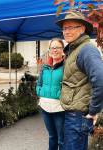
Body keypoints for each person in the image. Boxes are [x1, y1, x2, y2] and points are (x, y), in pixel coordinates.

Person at [56, 11, 103, 150]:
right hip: (72, 114)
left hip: (77, 116)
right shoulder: (74, 50)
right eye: (64, 28)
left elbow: (100, 79)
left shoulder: (86, 50)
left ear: (82, 29)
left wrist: (93, 111)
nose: (66, 31)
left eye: (71, 27)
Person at [36, 38, 65, 150]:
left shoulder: (65, 67)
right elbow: (39, 83)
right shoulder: (45, 67)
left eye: (57, 47)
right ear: (49, 50)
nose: (55, 50)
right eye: (52, 47)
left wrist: (60, 94)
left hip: (59, 108)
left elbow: (68, 86)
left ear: (62, 50)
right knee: (52, 136)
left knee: (61, 139)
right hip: (45, 107)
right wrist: (39, 91)